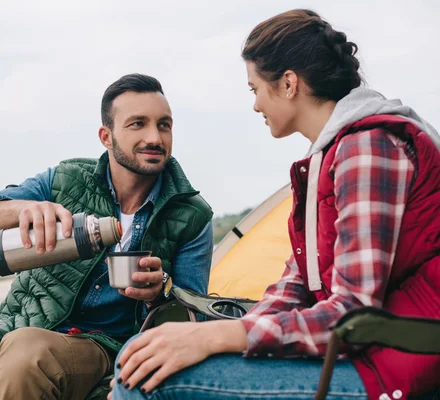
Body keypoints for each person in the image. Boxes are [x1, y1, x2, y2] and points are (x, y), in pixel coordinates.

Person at [111, 10, 440, 400]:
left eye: (254, 89)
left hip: (392, 366)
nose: (254, 105)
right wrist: (200, 335)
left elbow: (353, 315)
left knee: (149, 381)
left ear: (288, 83)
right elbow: (295, 285)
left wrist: (222, 336)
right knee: (140, 357)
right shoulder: (328, 158)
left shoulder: (366, 148)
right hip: (362, 356)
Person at [0, 73, 214, 400]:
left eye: (164, 125)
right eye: (138, 124)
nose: (155, 138)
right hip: (8, 329)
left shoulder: (191, 214)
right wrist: (22, 209)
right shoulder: (65, 180)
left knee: (27, 351)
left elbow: (191, 317)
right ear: (106, 137)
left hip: (97, 348)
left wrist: (160, 291)